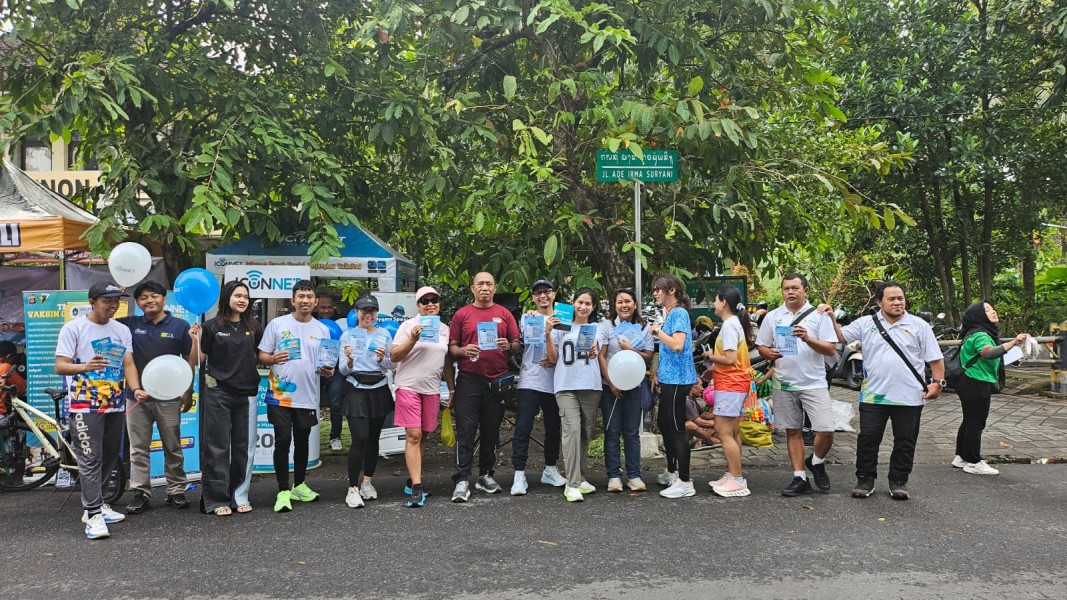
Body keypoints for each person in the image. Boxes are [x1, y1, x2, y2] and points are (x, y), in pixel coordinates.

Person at [823, 281, 944, 500]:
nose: (898, 302)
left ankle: (898, 481)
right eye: (892, 299)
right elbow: (841, 337)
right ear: (879, 302)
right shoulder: (865, 324)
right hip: (873, 395)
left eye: (901, 298)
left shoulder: (919, 325)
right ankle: (865, 479)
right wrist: (831, 317)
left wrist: (937, 382)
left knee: (905, 440)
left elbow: (935, 358)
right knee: (868, 438)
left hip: (909, 396)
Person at [54, 280, 148, 539]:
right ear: (92, 302)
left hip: (114, 404)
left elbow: (128, 363)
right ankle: (93, 514)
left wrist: (136, 388)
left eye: (116, 301)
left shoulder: (120, 329)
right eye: (107, 301)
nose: (113, 305)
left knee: (109, 457)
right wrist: (85, 367)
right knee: (90, 458)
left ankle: (99, 505)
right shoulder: (74, 328)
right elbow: (60, 366)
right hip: (85, 406)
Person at [755, 273, 838, 496]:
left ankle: (817, 461)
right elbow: (762, 346)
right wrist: (768, 353)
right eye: (786, 289)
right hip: (784, 382)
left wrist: (808, 339)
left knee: (826, 429)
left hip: (814, 382)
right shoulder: (772, 317)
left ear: (805, 290)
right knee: (793, 432)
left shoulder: (819, 316)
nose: (790, 292)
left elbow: (831, 349)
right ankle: (799, 477)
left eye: (795, 288)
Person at [257, 280, 335, 512]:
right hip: (280, 395)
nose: (305, 300)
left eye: (309, 297)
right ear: (293, 300)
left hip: (308, 396)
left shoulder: (322, 329)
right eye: (300, 296)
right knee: (282, 440)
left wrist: (328, 371)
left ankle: (299, 485)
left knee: (302, 443)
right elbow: (262, 355)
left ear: (315, 301)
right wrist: (273, 359)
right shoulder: (278, 324)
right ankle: (282, 490)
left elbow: (328, 366)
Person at [118, 281, 194, 515]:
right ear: (137, 303)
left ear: (164, 299)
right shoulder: (128, 325)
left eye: (154, 296)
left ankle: (176, 490)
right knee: (138, 448)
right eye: (143, 298)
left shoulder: (181, 326)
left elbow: (189, 361)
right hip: (136, 396)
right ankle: (140, 492)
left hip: (169, 397)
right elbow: (103, 318)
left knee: (172, 445)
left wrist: (188, 391)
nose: (149, 300)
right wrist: (120, 293)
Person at [189, 280, 263, 516]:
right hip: (218, 392)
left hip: (247, 393)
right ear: (226, 298)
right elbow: (197, 360)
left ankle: (239, 495)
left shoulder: (254, 326)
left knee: (244, 447)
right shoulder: (210, 326)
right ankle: (216, 499)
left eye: (245, 296)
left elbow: (260, 356)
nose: (242, 300)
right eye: (237, 295)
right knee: (217, 446)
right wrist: (194, 340)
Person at [447, 272, 520, 503]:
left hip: (496, 382)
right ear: (473, 288)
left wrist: (508, 345)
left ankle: (486, 475)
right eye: (481, 284)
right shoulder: (462, 314)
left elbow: (517, 345)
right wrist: (463, 351)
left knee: (491, 431)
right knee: (466, 431)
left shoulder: (504, 314)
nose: (485, 288)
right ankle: (461, 478)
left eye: (489, 284)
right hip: (469, 380)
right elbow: (451, 349)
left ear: (495, 287)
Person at [391, 287, 454, 507]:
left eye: (434, 300)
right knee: (414, 435)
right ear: (418, 306)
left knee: (424, 435)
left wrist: (452, 389)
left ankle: (412, 480)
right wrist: (412, 339)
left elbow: (446, 361)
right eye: (424, 301)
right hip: (408, 386)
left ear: (439, 303)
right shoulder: (407, 326)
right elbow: (394, 355)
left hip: (432, 389)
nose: (430, 304)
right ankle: (417, 488)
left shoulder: (445, 329)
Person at [953, 300, 1030, 476]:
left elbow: (993, 355)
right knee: (976, 422)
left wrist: (1014, 354)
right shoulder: (980, 334)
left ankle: (961, 456)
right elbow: (988, 353)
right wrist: (1013, 342)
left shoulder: (978, 332)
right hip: (974, 381)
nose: (993, 311)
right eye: (987, 310)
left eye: (992, 308)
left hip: (969, 380)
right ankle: (973, 462)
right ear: (979, 315)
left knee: (969, 420)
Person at [545, 288, 607, 502]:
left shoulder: (598, 327)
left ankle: (580, 478)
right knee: (571, 431)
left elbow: (596, 347)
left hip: (590, 385)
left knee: (584, 433)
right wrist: (547, 334)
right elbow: (553, 358)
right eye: (580, 302)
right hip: (565, 385)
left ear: (593, 307)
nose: (583, 307)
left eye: (588, 304)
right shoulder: (561, 325)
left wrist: (594, 348)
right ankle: (571, 485)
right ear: (573, 303)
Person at [336, 294, 395, 509]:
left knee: (373, 439)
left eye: (371, 311)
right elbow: (342, 369)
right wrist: (350, 360)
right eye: (364, 311)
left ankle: (367, 482)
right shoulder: (348, 336)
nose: (367, 315)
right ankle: (352, 488)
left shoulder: (385, 334)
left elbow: (392, 365)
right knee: (359, 438)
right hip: (357, 390)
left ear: (376, 313)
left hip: (379, 389)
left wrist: (382, 359)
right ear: (357, 312)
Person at [510, 279, 567, 495]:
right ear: (533, 298)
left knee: (553, 428)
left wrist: (548, 334)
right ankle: (519, 475)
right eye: (538, 293)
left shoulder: (563, 320)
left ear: (554, 294)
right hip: (529, 381)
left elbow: (556, 357)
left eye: (547, 292)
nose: (543, 296)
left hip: (554, 383)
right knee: (523, 427)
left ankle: (550, 469)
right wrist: (538, 322)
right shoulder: (527, 318)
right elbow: (521, 340)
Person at [597, 288, 654, 493]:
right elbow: (601, 356)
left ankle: (634, 475)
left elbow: (648, 356)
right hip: (609, 387)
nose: (624, 305)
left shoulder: (644, 327)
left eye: (628, 301)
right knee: (611, 431)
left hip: (634, 385)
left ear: (635, 304)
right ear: (615, 306)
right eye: (619, 301)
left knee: (631, 432)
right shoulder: (606, 326)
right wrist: (610, 382)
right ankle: (613, 476)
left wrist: (631, 350)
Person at [649, 274, 699, 499]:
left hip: (679, 379)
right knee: (665, 423)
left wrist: (656, 332)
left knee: (677, 428)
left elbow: (677, 345)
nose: (655, 293)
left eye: (659, 289)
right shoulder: (670, 313)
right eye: (654, 290)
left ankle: (685, 480)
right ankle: (672, 471)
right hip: (670, 377)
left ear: (671, 291)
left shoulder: (678, 313)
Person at [702, 284, 755, 498]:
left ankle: (737, 478)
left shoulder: (729, 325)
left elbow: (731, 359)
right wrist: (714, 370)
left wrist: (709, 357)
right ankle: (734, 475)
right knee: (732, 432)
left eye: (715, 300)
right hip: (734, 383)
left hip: (731, 385)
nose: (713, 304)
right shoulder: (733, 323)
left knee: (723, 433)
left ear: (723, 302)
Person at [315, 294, 347, 452]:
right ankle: (310, 436)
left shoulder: (343, 322)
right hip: (314, 369)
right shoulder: (310, 322)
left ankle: (336, 437)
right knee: (309, 404)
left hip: (336, 370)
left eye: (329, 307)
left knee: (336, 404)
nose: (327, 310)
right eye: (323, 307)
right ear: (316, 307)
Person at [0, 341, 28, 485]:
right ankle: (11, 467)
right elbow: (22, 387)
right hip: (1, 416)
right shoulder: (6, 366)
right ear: (9, 356)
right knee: (21, 431)